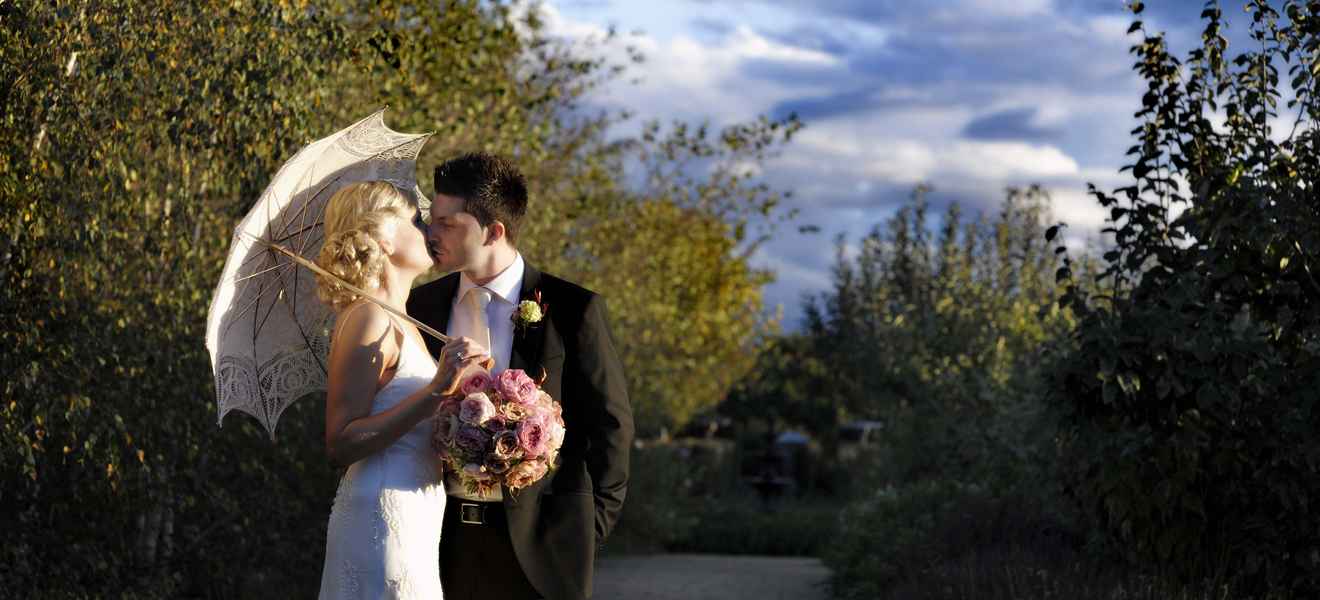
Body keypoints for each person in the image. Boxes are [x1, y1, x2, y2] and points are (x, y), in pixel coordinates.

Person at [407, 152, 634, 600]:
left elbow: (611, 428)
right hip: (438, 544)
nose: (431, 234)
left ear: (494, 231)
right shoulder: (420, 307)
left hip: (544, 548)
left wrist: (586, 533)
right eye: (431, 219)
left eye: (448, 223)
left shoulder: (574, 309)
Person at [314, 181, 488, 599]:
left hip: (417, 515)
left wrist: (470, 403)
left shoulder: (402, 321)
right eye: (415, 220)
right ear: (382, 239)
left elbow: (415, 419)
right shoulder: (368, 318)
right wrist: (435, 391)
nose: (428, 230)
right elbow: (340, 441)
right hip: (380, 518)